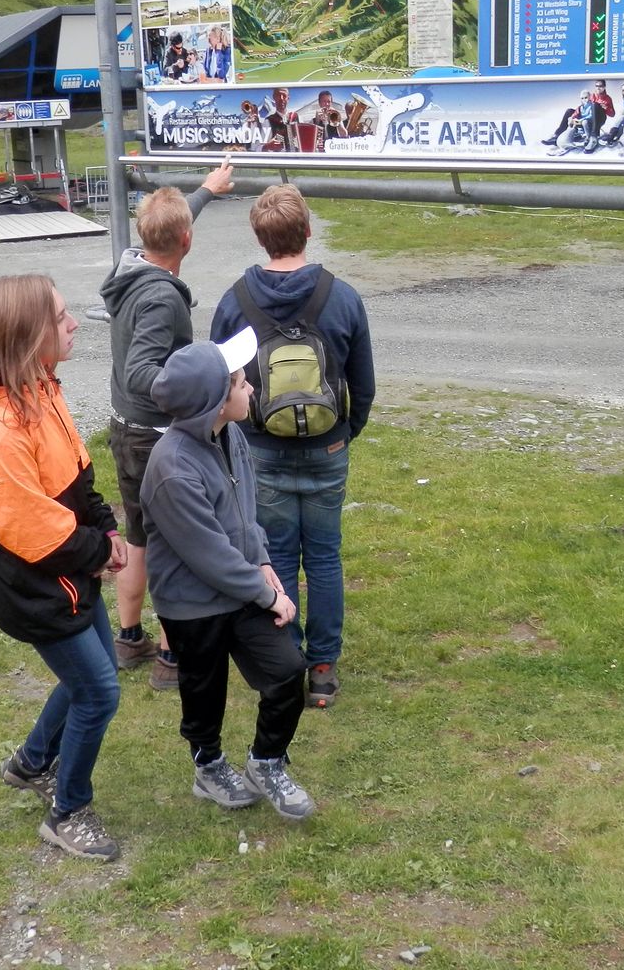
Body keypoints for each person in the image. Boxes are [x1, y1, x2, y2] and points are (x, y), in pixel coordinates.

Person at [0, 274, 128, 862]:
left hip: (68, 575)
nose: (74, 323)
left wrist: (106, 529)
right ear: (26, 335)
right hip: (36, 590)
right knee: (98, 693)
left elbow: (77, 474)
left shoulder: (43, 390)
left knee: (93, 676)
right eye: (60, 317)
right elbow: (29, 529)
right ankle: (68, 811)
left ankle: (31, 763)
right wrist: (97, 552)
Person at [210, 186, 375, 710]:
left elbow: (219, 381)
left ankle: (285, 659)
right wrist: (343, 433)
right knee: (324, 555)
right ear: (307, 230)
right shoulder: (342, 297)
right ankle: (323, 671)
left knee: (276, 554)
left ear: (260, 237)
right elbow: (363, 384)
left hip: (261, 450)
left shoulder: (235, 301)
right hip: (328, 448)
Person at [141, 331, 316, 820]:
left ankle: (266, 762)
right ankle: (208, 765)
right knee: (204, 690)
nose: (252, 388)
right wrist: (268, 595)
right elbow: (209, 555)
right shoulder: (172, 468)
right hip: (192, 605)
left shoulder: (230, 434)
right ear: (216, 403)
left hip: (240, 588)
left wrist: (263, 561)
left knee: (287, 671)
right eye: (241, 383)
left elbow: (244, 510)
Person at [100, 160, 236, 691]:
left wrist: (205, 190)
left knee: (138, 537)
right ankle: (171, 658)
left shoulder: (130, 269)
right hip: (154, 438)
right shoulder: (159, 297)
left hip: (125, 429)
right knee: (174, 546)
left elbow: (170, 224)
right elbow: (142, 371)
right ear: (186, 241)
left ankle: (128, 638)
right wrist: (194, 387)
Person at [258, 86, 294, 151]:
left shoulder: (297, 118)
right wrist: (267, 146)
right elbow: (259, 148)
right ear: (274, 98)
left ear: (288, 98)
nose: (281, 98)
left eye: (284, 96)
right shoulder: (268, 121)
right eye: (278, 95)